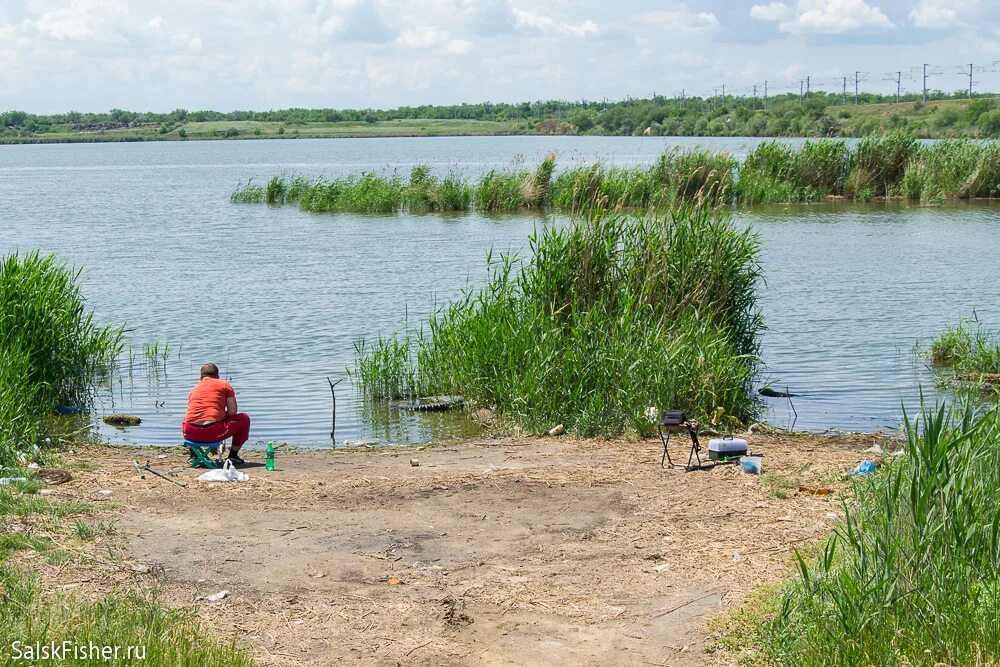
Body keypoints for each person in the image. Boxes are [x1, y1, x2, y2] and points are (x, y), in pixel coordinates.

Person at [182, 362, 251, 465]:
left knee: (187, 418)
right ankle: (233, 456)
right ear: (217, 376)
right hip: (213, 432)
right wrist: (221, 414)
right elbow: (233, 412)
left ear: (201, 377)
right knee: (244, 418)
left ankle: (193, 455)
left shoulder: (194, 389)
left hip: (191, 433)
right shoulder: (224, 385)